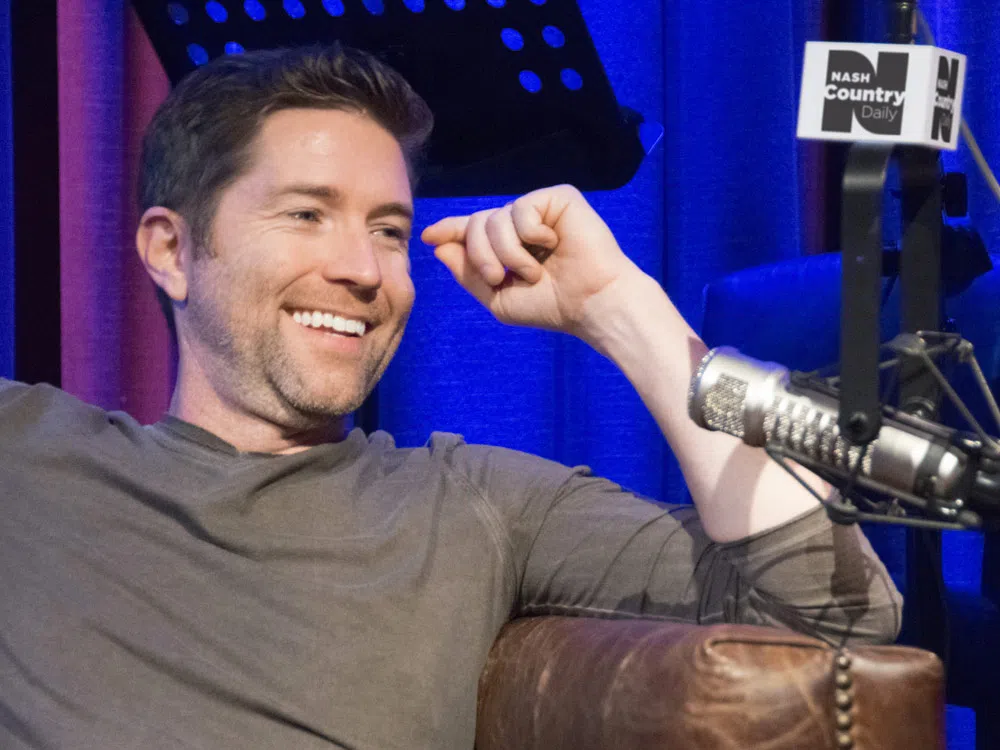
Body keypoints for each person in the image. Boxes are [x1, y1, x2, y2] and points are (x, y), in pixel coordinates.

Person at [0, 45, 900, 749]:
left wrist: (621, 308)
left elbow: (837, 611)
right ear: (170, 250)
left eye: (389, 231)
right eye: (307, 214)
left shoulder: (470, 504)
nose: (363, 270)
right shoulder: (30, 456)